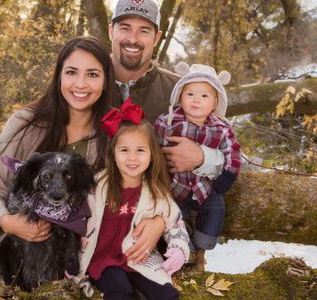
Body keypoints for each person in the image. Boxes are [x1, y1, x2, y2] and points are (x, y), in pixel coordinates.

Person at [0, 36, 117, 299]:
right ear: (59, 76)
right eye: (71, 72)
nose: (80, 84)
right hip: (13, 260)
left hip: (78, 266)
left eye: (92, 74)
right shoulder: (26, 124)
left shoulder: (112, 135)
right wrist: (9, 222)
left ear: (105, 82)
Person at [108, 0, 226, 263]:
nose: (133, 39)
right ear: (111, 31)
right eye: (125, 28)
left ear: (157, 37)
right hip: (97, 232)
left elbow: (228, 148)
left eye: (144, 31)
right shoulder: (87, 81)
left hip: (169, 238)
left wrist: (203, 157)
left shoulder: (181, 91)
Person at [78, 98, 189, 299]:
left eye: (140, 150)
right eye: (124, 150)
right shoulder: (96, 186)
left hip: (139, 258)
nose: (132, 158)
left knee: (166, 294)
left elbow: (175, 223)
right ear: (112, 154)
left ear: (152, 154)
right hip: (102, 260)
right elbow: (72, 219)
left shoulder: (156, 191)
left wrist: (178, 249)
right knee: (120, 290)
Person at [153, 62, 242, 271]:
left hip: (207, 187)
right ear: (180, 96)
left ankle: (202, 247)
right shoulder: (168, 122)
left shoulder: (221, 128)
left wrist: (226, 177)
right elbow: (154, 147)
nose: (196, 100)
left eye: (204, 96)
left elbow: (233, 153)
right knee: (175, 216)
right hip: (176, 187)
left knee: (216, 211)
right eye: (190, 93)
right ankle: (187, 250)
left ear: (215, 102)